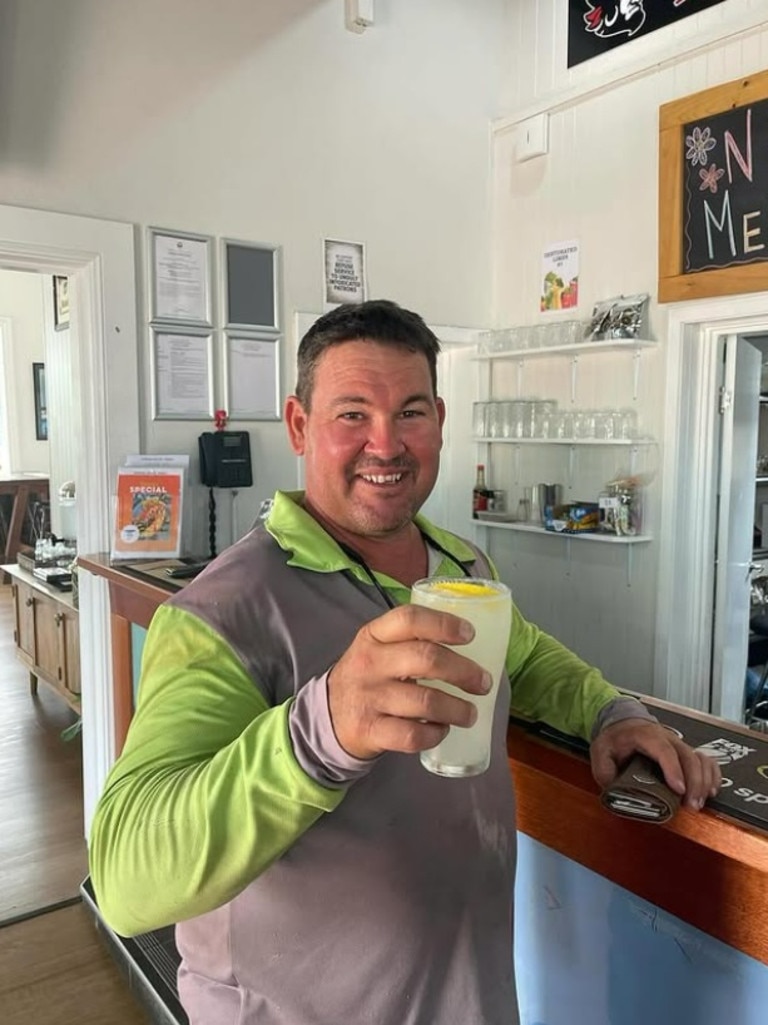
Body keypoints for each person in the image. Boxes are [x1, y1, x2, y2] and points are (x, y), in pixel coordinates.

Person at [89, 299, 721, 1025]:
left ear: (441, 422)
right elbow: (126, 876)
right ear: (300, 426)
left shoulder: (461, 564)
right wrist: (317, 731)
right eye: (352, 414)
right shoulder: (221, 612)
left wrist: (611, 711)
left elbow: (529, 654)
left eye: (411, 413)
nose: (386, 443)